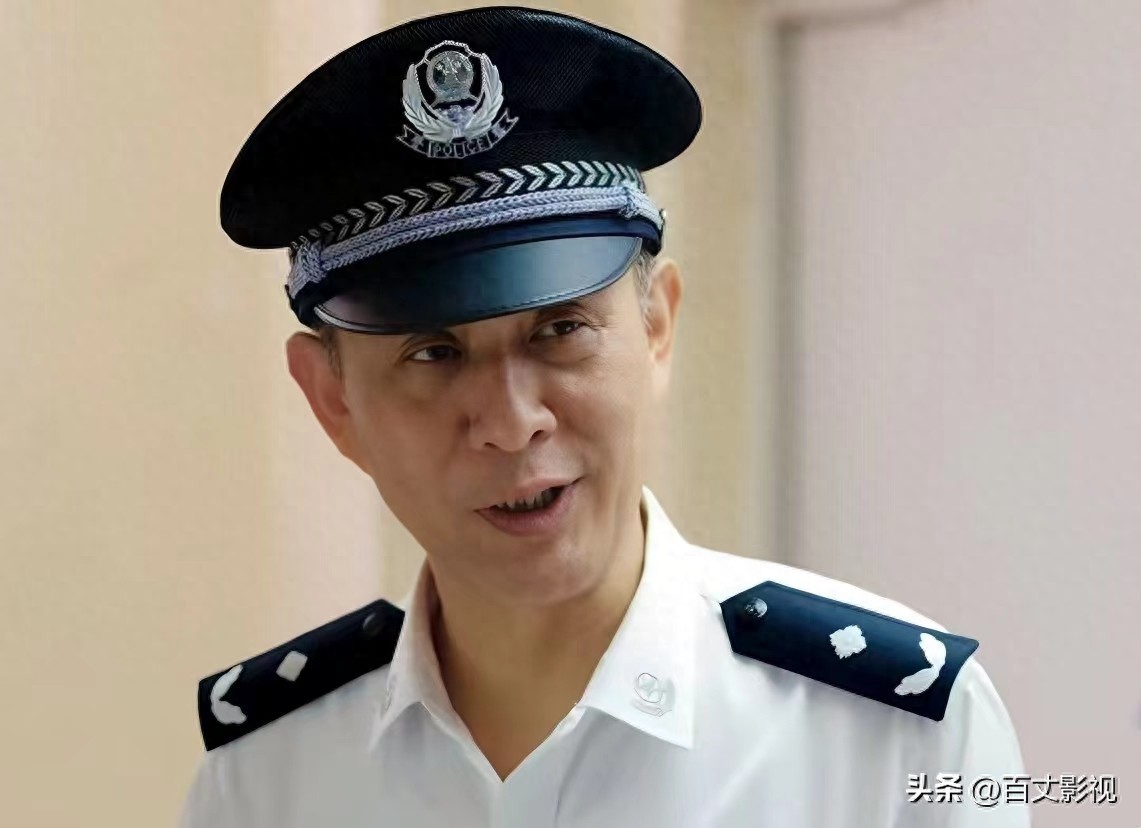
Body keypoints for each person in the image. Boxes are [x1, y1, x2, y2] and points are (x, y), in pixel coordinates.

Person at [180, 7, 1028, 826]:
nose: (512, 422)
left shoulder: (891, 733)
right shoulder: (269, 773)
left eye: (560, 331)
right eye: (433, 354)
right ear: (331, 400)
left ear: (656, 325)